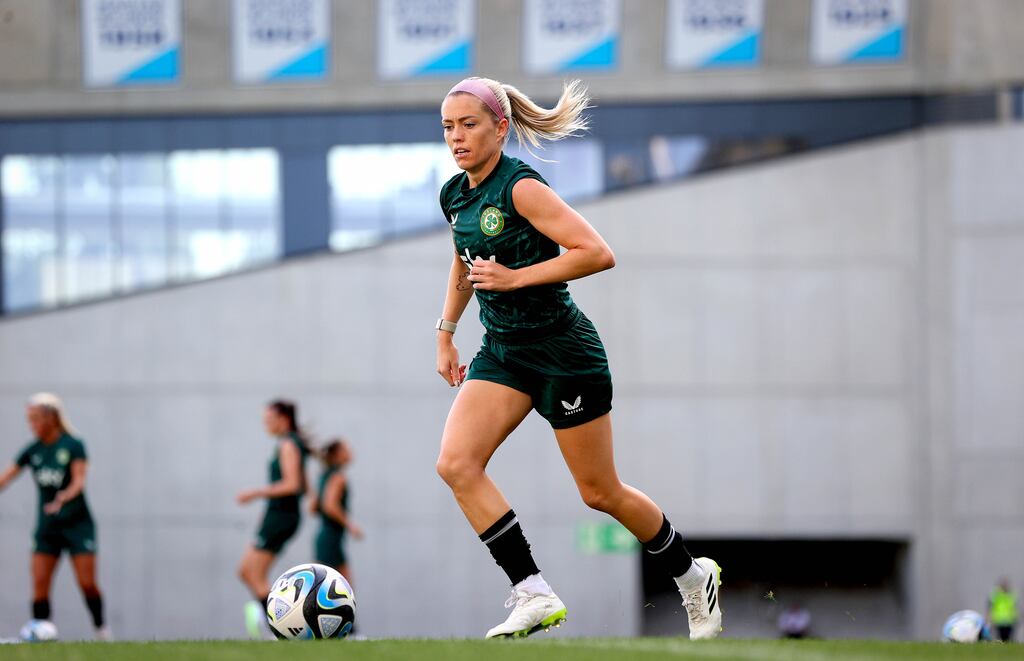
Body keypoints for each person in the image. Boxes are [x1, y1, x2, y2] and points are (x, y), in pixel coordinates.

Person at [434, 76, 723, 640]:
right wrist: (446, 332)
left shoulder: (521, 188)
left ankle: (693, 577)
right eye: (448, 127)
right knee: (456, 464)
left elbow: (596, 252)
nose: (457, 137)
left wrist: (516, 278)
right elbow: (463, 259)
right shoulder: (454, 194)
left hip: (563, 354)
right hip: (504, 353)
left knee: (600, 493)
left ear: (501, 128)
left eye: (469, 125)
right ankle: (533, 592)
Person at [0, 393, 111, 640]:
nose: (32, 425)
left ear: (51, 418)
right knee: (39, 583)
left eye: (36, 419)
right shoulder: (34, 450)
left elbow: (79, 482)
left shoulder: (73, 445)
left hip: (77, 524)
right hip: (47, 526)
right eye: (29, 420)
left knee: (87, 583)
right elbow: (5, 478)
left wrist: (63, 497)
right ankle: (42, 635)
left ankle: (102, 631)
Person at [236, 399, 310, 639]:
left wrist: (255, 493)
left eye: (269, 419)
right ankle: (275, 622)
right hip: (277, 515)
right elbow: (304, 484)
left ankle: (280, 627)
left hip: (282, 517)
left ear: (284, 419)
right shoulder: (291, 443)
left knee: (254, 574)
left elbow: (293, 484)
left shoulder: (288, 444)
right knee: (246, 571)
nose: (266, 424)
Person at [310, 438, 363, 581]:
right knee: (342, 586)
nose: (351, 452)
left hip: (325, 537)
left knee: (326, 584)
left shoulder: (324, 476)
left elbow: (313, 508)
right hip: (331, 537)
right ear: (337, 454)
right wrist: (350, 525)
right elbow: (330, 506)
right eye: (347, 449)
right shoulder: (338, 477)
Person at [988, 578, 1018, 642]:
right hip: (999, 621)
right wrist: (990, 617)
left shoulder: (1011, 595)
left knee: (1008, 638)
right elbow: (990, 606)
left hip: (1009, 621)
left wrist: (1015, 617)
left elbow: (1014, 607)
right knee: (1000, 638)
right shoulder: (996, 595)